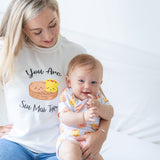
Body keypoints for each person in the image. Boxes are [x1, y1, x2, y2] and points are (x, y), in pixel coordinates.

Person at [0, 0, 113, 160]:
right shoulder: (7, 51)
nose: (48, 36)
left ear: (58, 15)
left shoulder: (75, 53)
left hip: (63, 148)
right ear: (23, 28)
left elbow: (101, 102)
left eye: (53, 24)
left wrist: (101, 135)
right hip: (15, 143)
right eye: (37, 31)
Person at [56, 54, 113, 160]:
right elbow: (64, 117)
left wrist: (100, 107)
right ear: (69, 82)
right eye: (81, 81)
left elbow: (110, 114)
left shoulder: (98, 98)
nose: (87, 86)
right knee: (71, 154)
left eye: (93, 82)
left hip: (91, 145)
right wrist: (83, 116)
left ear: (100, 84)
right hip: (70, 140)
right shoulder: (68, 95)